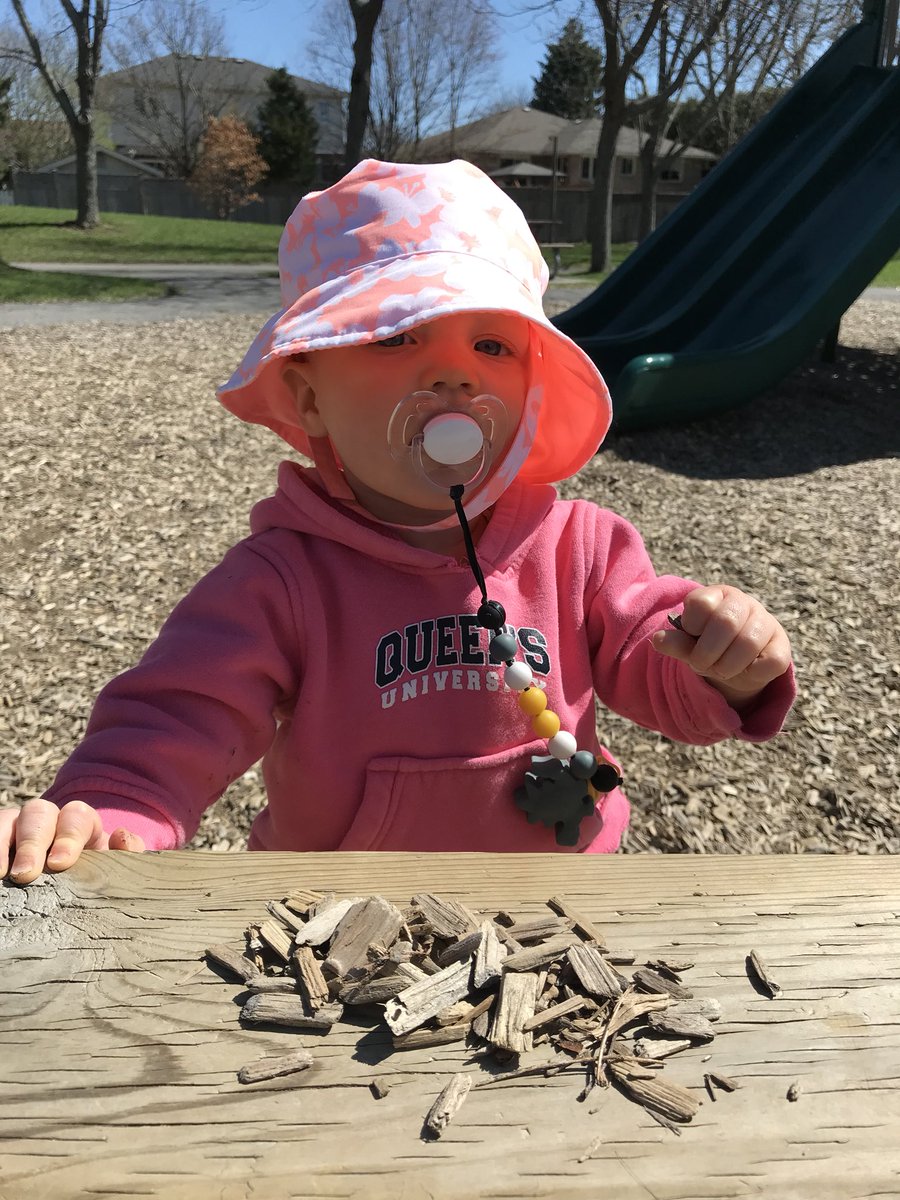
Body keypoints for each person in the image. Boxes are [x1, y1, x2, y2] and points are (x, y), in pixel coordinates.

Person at [1, 159, 794, 885]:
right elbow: (177, 716)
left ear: (527, 396)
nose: (454, 370)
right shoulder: (282, 580)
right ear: (309, 395)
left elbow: (649, 656)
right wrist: (107, 814)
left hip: (565, 889)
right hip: (345, 919)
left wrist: (719, 660)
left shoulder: (580, 545)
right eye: (396, 336)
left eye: (490, 343)